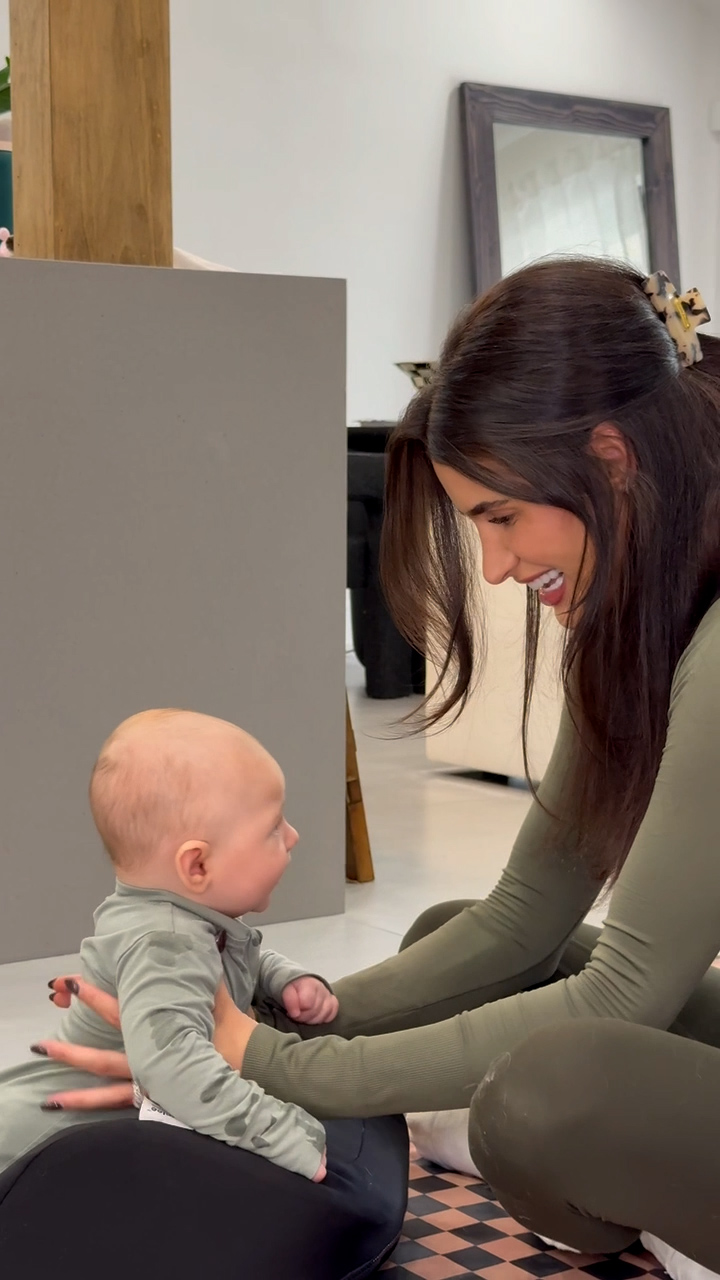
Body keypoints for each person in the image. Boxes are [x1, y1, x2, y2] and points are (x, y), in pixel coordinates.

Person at [21, 259, 720, 1270]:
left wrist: (273, 1064)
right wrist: (282, 1019)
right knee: (459, 946)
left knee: (542, 1100)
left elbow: (621, 996)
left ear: (611, 458)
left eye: (499, 516)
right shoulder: (642, 625)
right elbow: (520, 917)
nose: (497, 567)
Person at [0, 708, 338, 1181]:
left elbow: (216, 968)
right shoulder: (165, 941)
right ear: (196, 866)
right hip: (37, 1155)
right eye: (273, 829)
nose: (293, 836)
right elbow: (174, 1069)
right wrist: (278, 1132)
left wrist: (280, 976)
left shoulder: (177, 920)